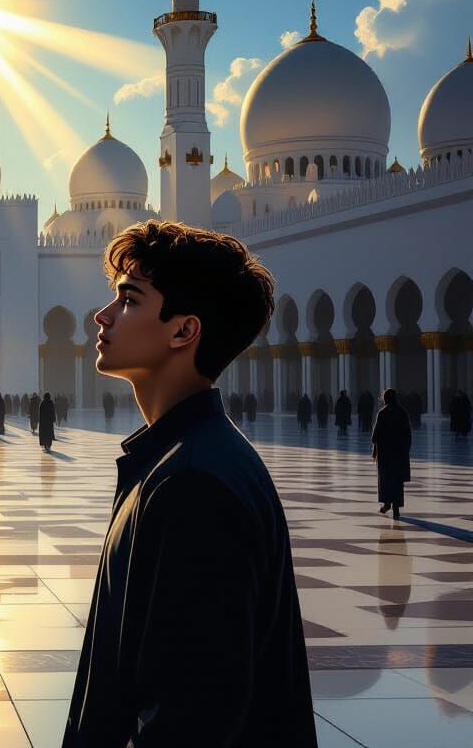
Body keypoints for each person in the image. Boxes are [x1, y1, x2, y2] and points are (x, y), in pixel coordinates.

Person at [64, 219, 316, 747]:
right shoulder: (187, 460)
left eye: (129, 300)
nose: (103, 315)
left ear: (183, 331)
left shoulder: (193, 484)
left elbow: (189, 718)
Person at [371, 388, 412, 521]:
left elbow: (375, 435)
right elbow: (408, 434)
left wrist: (375, 450)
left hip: (385, 454)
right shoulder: (402, 412)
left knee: (385, 480)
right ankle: (396, 509)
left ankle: (387, 503)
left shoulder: (383, 413)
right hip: (399, 453)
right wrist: (405, 450)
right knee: (397, 482)